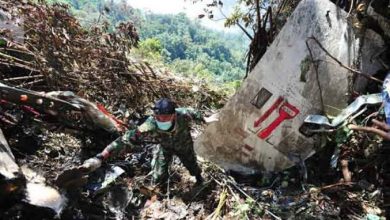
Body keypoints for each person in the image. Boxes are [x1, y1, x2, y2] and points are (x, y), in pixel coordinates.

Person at [81, 98, 205, 185]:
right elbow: (123, 141)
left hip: (184, 146)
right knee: (158, 174)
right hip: (165, 147)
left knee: (192, 165)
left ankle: (199, 179)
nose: (161, 121)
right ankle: (160, 189)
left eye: (165, 118)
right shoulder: (150, 124)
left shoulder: (182, 114)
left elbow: (196, 114)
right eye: (158, 118)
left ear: (173, 115)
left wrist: (206, 119)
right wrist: (100, 157)